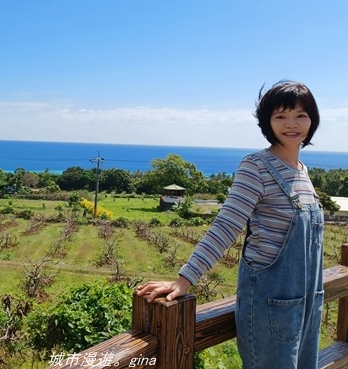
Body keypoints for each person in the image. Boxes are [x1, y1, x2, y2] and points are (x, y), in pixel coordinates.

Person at [136, 80, 324, 369]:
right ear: (267, 122)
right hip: (270, 305)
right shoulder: (257, 166)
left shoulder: (302, 171)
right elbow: (226, 226)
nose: (292, 124)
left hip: (306, 305)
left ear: (312, 119)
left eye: (301, 115)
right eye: (281, 116)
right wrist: (184, 280)